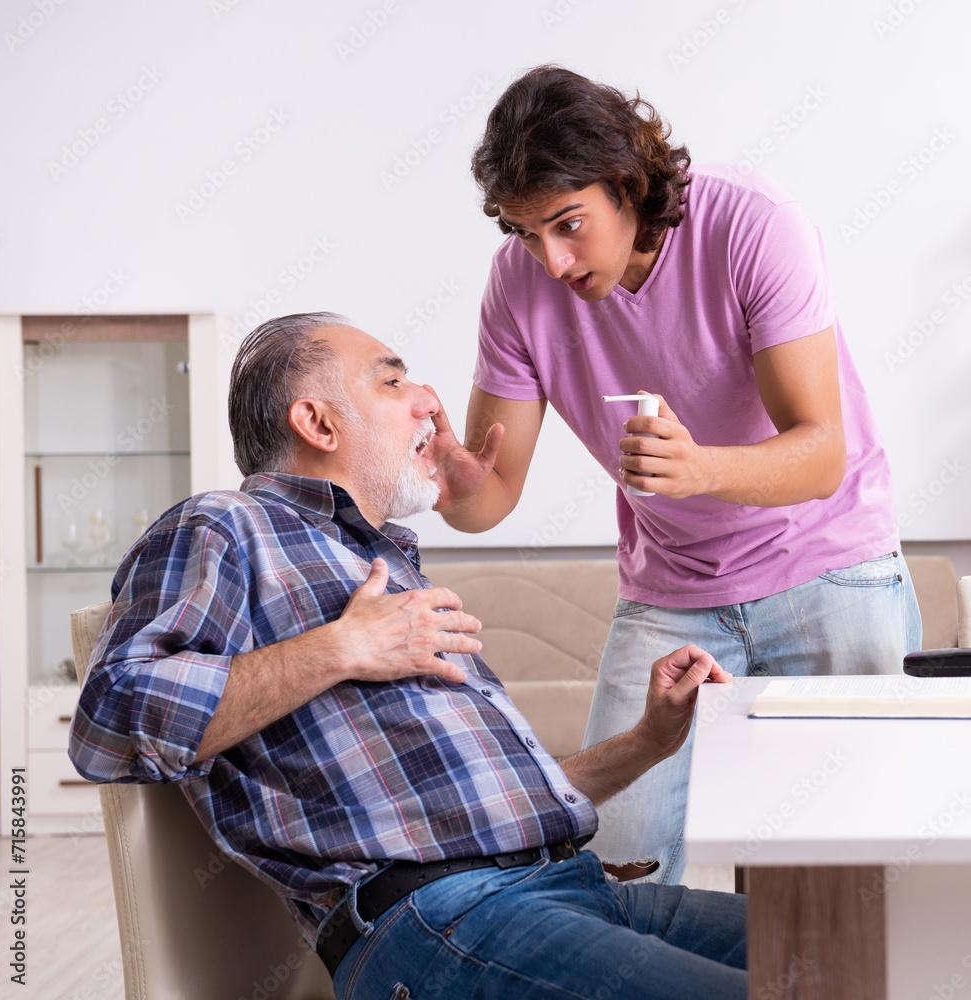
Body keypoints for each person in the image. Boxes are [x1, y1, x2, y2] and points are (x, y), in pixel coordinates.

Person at [68, 312, 747, 1000]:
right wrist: (343, 647)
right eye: (392, 381)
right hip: (442, 923)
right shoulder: (224, 524)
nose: (428, 398)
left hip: (565, 888)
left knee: (843, 949)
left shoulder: (385, 565)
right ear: (318, 423)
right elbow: (111, 720)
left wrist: (648, 741)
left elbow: (502, 810)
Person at [429, 65, 922, 885]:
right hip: (674, 595)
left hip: (830, 567)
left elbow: (821, 451)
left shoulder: (750, 222)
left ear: (626, 180)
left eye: (567, 224)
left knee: (861, 878)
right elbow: (489, 498)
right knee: (611, 865)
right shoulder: (518, 284)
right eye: (523, 232)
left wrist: (699, 471)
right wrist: (452, 484)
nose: (549, 261)